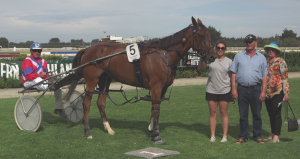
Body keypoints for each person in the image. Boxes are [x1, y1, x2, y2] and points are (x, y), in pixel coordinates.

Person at [230, 34, 268, 144]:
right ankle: (243, 136)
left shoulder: (261, 57)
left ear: (255, 42)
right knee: (243, 115)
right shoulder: (239, 56)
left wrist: (263, 91)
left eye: (251, 41)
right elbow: (233, 73)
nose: (249, 43)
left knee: (257, 114)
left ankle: (257, 136)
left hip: (256, 89)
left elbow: (264, 75)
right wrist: (233, 89)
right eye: (247, 41)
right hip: (242, 89)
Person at [21, 42, 66, 118]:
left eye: (39, 51)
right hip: (28, 82)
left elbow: (46, 75)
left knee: (59, 87)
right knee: (38, 79)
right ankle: (49, 87)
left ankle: (58, 108)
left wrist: (51, 77)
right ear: (31, 51)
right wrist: (39, 75)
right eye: (35, 51)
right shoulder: (27, 61)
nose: (37, 52)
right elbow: (28, 76)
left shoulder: (43, 61)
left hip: (40, 82)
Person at [198, 41, 232, 142]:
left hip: (225, 90)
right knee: (213, 113)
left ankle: (224, 136)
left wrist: (234, 90)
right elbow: (200, 68)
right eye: (218, 48)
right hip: (211, 90)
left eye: (222, 48)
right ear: (215, 48)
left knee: (223, 113)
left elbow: (232, 77)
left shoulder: (229, 61)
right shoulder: (211, 60)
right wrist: (202, 58)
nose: (220, 50)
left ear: (225, 49)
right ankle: (212, 135)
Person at [264, 41, 289, 143]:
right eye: (269, 49)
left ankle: (276, 136)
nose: (271, 51)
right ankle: (273, 133)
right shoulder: (266, 61)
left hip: (277, 91)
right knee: (270, 113)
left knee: (276, 113)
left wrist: (286, 92)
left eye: (273, 50)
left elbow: (285, 78)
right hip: (267, 92)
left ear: (276, 51)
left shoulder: (281, 62)